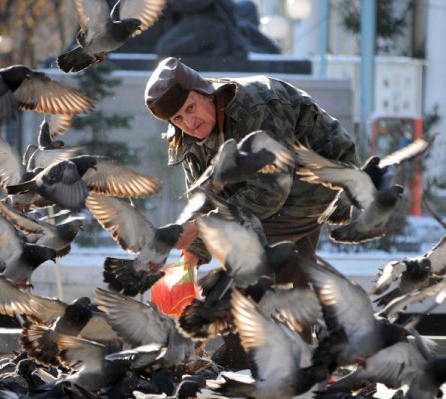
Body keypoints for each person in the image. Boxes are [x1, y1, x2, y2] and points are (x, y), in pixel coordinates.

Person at [144, 57, 358, 367]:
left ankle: (239, 357)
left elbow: (271, 190)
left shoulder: (255, 107)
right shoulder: (187, 138)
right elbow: (202, 200)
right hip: (280, 192)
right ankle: (301, 365)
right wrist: (191, 256)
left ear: (206, 93)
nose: (188, 123)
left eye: (190, 109)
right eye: (178, 118)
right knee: (288, 274)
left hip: (325, 179)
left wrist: (205, 230)